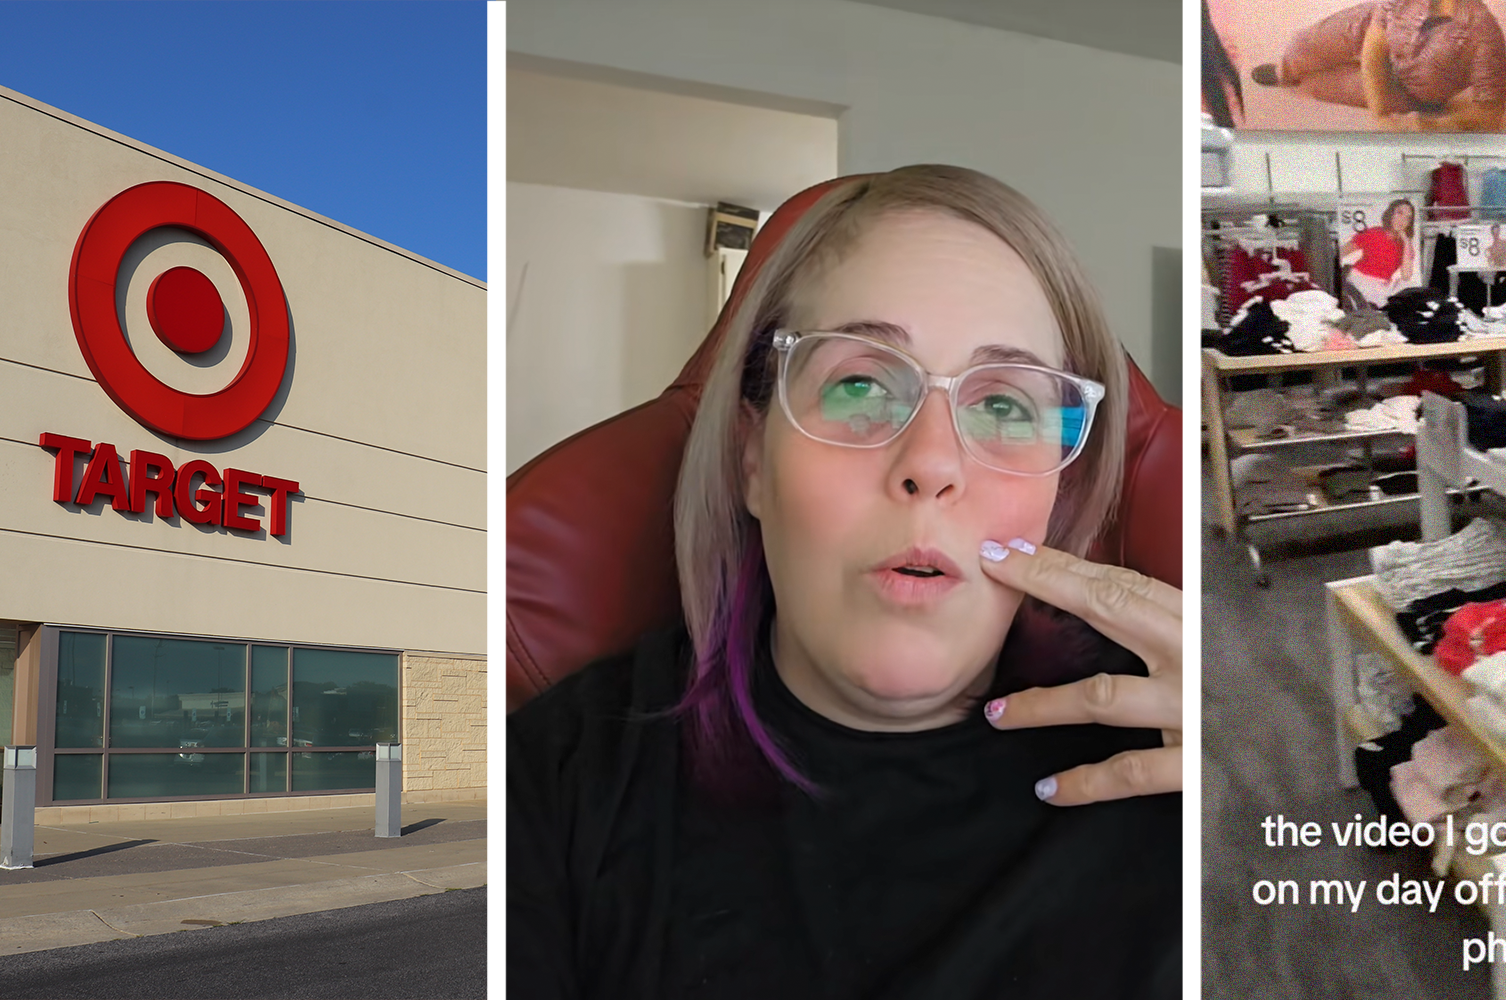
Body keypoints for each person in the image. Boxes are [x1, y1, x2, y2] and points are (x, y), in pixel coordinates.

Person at [506, 165, 1183, 999]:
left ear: (1060, 490)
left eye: (1004, 406)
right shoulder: (546, 790)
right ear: (752, 458)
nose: (931, 464)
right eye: (861, 385)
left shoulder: (1171, 764)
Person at [1245, 0, 1506, 132]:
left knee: (1319, 87)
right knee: (1304, 44)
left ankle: (1301, 79)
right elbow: (1374, 47)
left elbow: (1491, 112)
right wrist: (1379, 113)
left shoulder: (1483, 31)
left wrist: (1431, 124)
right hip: (1373, 28)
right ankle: (1287, 70)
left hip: (1410, 91)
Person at [1341, 198, 1420, 307]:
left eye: (1408, 218)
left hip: (1383, 285)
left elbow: (1406, 276)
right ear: (1390, 214)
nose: (1402, 219)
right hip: (1361, 279)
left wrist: (1406, 240)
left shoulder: (1405, 245)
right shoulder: (1374, 233)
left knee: (1411, 289)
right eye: (1399, 213)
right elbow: (1341, 252)